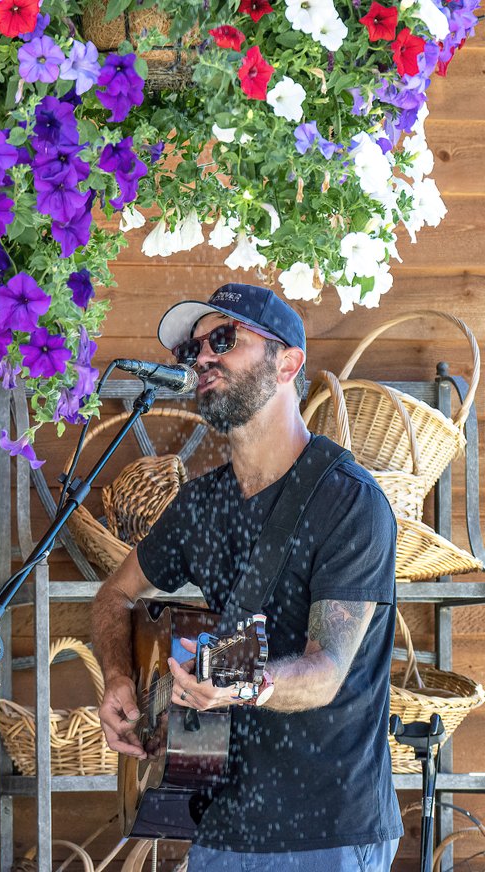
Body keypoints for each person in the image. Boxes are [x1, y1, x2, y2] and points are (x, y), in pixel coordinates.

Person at [92, 284, 403, 870]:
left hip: (325, 832)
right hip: (217, 824)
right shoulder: (199, 504)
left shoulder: (348, 502)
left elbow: (327, 671)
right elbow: (116, 593)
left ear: (288, 363)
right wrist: (117, 678)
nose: (202, 356)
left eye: (224, 339)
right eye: (193, 348)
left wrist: (241, 686)